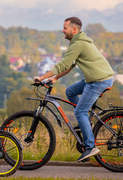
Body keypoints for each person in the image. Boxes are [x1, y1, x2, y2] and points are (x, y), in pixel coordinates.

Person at [34, 17, 114, 162]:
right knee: (70, 91)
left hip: (98, 81)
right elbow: (71, 65)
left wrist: (42, 77)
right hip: (97, 78)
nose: (62, 30)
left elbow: (63, 64)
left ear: (74, 30)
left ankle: (90, 147)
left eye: (65, 28)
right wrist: (56, 78)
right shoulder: (79, 42)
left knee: (80, 111)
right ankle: (87, 122)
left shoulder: (78, 44)